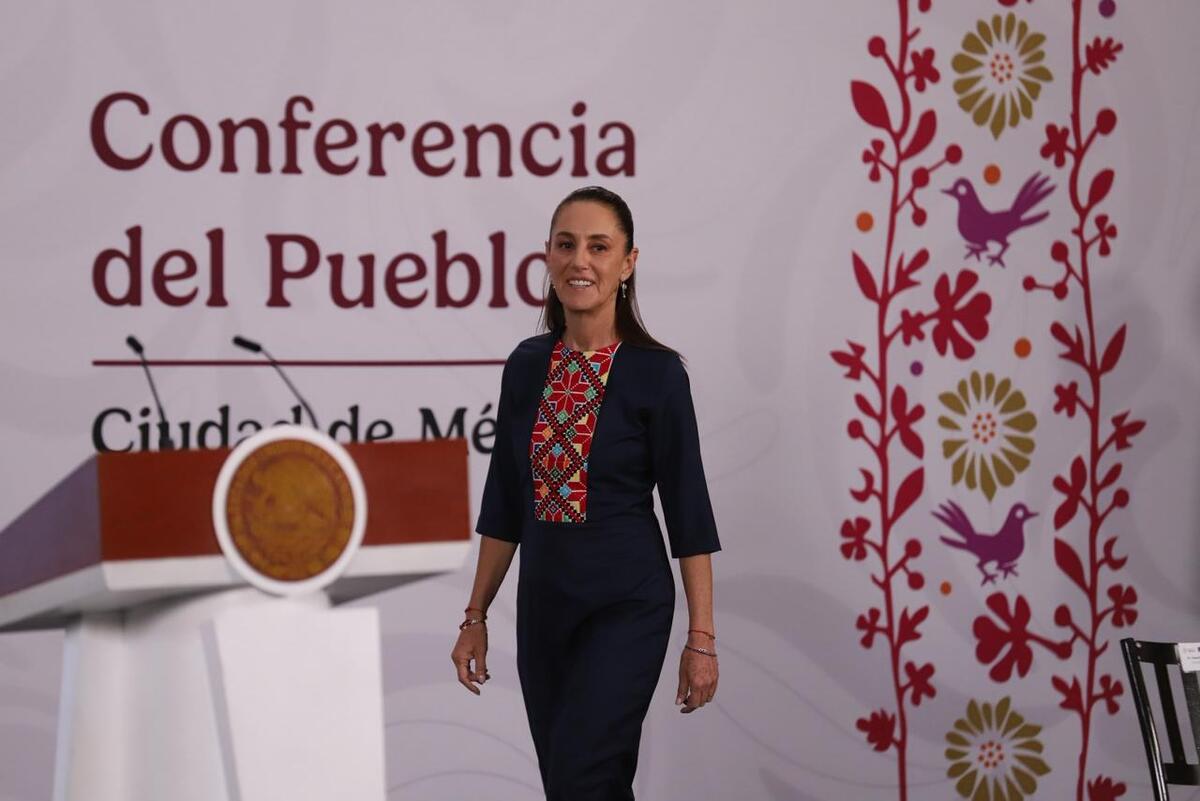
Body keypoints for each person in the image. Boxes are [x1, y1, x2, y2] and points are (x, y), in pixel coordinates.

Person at [450, 185, 721, 801]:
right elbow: (504, 503)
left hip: (626, 607)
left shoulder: (658, 374)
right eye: (567, 245)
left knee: (582, 778)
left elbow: (689, 512)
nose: (581, 261)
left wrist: (700, 638)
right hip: (544, 611)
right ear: (546, 256)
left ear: (627, 263)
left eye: (600, 247)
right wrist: (476, 616)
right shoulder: (525, 365)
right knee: (579, 788)